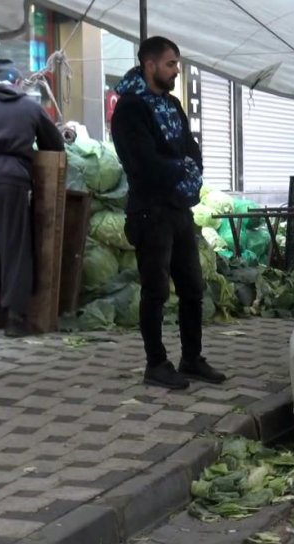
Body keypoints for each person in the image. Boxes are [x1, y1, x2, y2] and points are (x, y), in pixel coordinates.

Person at [111, 36, 226, 390]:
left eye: (176, 64)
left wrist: (190, 168)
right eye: (171, 64)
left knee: (192, 286)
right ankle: (156, 364)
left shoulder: (172, 105)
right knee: (156, 290)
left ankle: (191, 358)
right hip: (150, 212)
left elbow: (190, 148)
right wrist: (181, 170)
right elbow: (142, 162)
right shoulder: (131, 109)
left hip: (178, 210)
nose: (176, 70)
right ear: (150, 65)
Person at [0, 59, 65, 336]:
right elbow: (55, 147)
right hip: (13, 181)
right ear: (16, 82)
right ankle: (15, 318)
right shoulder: (29, 107)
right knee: (13, 246)